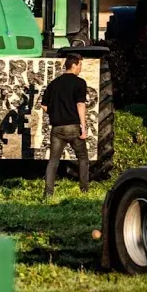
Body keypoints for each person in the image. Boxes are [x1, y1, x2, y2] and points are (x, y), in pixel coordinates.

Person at [42, 52, 89, 197]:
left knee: (53, 161)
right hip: (73, 127)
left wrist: (55, 112)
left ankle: (48, 194)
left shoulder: (54, 83)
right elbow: (80, 104)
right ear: (74, 65)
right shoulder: (79, 83)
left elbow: (44, 106)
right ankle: (84, 190)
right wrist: (83, 127)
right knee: (82, 159)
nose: (81, 68)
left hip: (57, 129)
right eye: (80, 65)